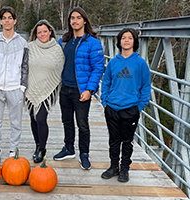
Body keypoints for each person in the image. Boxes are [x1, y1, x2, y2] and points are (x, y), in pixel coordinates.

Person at [53, 7, 104, 170]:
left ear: (84, 21)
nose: (74, 21)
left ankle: (84, 154)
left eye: (78, 18)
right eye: (72, 18)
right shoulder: (64, 41)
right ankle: (68, 148)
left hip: (81, 90)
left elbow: (98, 68)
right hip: (65, 88)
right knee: (66, 121)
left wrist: (90, 89)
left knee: (82, 123)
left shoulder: (93, 43)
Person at [100, 28, 151, 182]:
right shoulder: (113, 63)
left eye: (130, 38)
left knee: (127, 141)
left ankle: (124, 169)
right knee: (114, 140)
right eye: (123, 38)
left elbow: (146, 86)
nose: (126, 40)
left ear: (134, 41)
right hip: (112, 107)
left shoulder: (140, 63)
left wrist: (140, 106)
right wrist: (104, 102)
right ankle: (113, 166)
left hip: (131, 108)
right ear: (119, 41)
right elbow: (106, 82)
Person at [0, 6, 29, 164]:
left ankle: (13, 150)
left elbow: (25, 66)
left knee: (16, 122)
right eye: (4, 18)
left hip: (14, 88)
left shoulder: (22, 42)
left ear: (15, 20)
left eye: (10, 17)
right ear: (0, 21)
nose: (7, 20)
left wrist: (22, 87)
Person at [25, 20, 65, 163]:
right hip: (31, 87)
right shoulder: (29, 47)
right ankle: (37, 145)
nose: (42, 34)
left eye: (44, 31)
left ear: (50, 32)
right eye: (39, 32)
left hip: (47, 89)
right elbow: (23, 65)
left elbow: (59, 68)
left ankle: (42, 148)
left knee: (41, 118)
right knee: (33, 119)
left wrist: (52, 85)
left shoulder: (56, 48)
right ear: (35, 34)